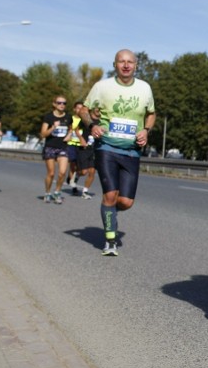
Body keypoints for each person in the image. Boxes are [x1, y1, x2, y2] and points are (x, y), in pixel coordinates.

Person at [78, 49, 156, 256]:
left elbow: (151, 114)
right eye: (121, 61)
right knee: (110, 195)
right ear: (115, 65)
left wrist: (146, 131)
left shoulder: (144, 88)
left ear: (136, 65)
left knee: (125, 202)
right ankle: (110, 240)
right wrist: (92, 125)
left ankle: (109, 211)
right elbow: (83, 110)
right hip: (107, 147)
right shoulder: (102, 86)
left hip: (131, 151)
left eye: (130, 61)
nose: (126, 65)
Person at [40, 95, 73, 204]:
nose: (62, 105)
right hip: (50, 147)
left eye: (64, 103)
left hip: (63, 147)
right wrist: (53, 127)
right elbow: (43, 134)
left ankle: (57, 192)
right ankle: (47, 192)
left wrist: (69, 135)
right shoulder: (48, 117)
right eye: (59, 103)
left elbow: (71, 128)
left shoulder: (68, 117)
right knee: (51, 173)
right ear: (54, 104)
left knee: (62, 172)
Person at [68, 101, 96, 199]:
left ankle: (85, 192)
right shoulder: (85, 120)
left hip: (94, 149)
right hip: (80, 147)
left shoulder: (103, 121)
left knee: (92, 171)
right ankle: (75, 176)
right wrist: (81, 139)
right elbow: (75, 129)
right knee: (82, 170)